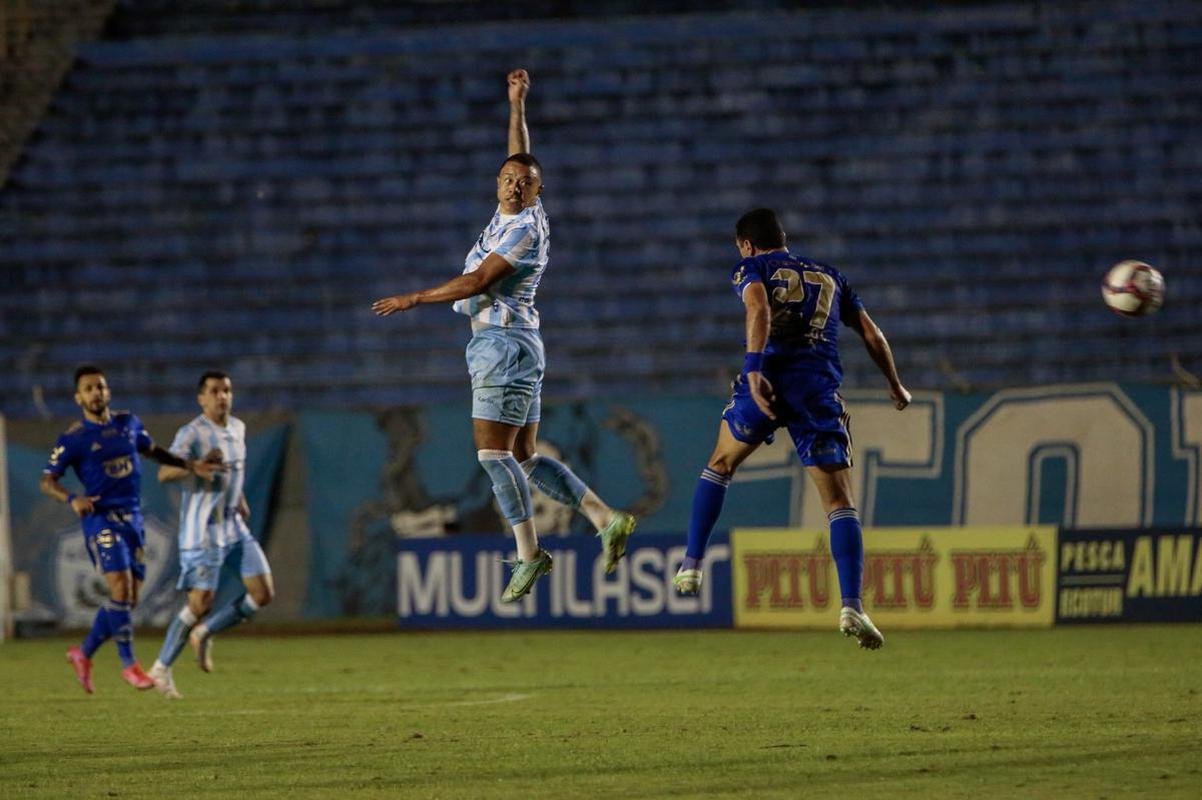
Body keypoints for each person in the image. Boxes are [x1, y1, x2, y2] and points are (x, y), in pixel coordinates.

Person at [372, 68, 636, 602]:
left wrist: (414, 298)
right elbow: (520, 155)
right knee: (523, 456)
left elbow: (477, 281)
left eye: (526, 182)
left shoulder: (520, 230)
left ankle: (530, 553)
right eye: (509, 179)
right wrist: (517, 105)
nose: (516, 185)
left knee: (493, 457)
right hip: (520, 347)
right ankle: (603, 517)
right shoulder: (516, 208)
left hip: (503, 348)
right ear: (499, 183)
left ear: (539, 191)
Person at [672, 209, 911, 650]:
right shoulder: (831, 276)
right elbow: (873, 336)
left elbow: (759, 305)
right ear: (784, 238)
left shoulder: (752, 267)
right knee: (839, 501)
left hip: (767, 380)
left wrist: (753, 370)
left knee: (721, 463)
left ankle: (691, 563)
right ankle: (852, 604)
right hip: (816, 390)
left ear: (746, 244)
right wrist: (895, 384)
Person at [41, 365, 225, 693]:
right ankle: (131, 667)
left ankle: (83, 654)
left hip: (133, 518)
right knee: (120, 589)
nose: (96, 392)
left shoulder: (128, 424)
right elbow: (47, 480)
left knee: (128, 599)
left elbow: (152, 451)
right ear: (78, 397)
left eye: (100, 386)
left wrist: (189, 465)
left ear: (108, 391)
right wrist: (72, 499)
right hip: (100, 517)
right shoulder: (74, 438)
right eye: (88, 388)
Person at [147, 371, 275, 699]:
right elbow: (164, 473)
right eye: (215, 391)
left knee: (262, 593)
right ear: (201, 398)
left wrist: (240, 498)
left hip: (233, 526)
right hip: (202, 531)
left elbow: (234, 471)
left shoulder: (239, 428)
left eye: (227, 390)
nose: (222, 397)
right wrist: (193, 466)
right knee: (200, 602)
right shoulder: (191, 433)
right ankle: (160, 669)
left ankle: (204, 632)